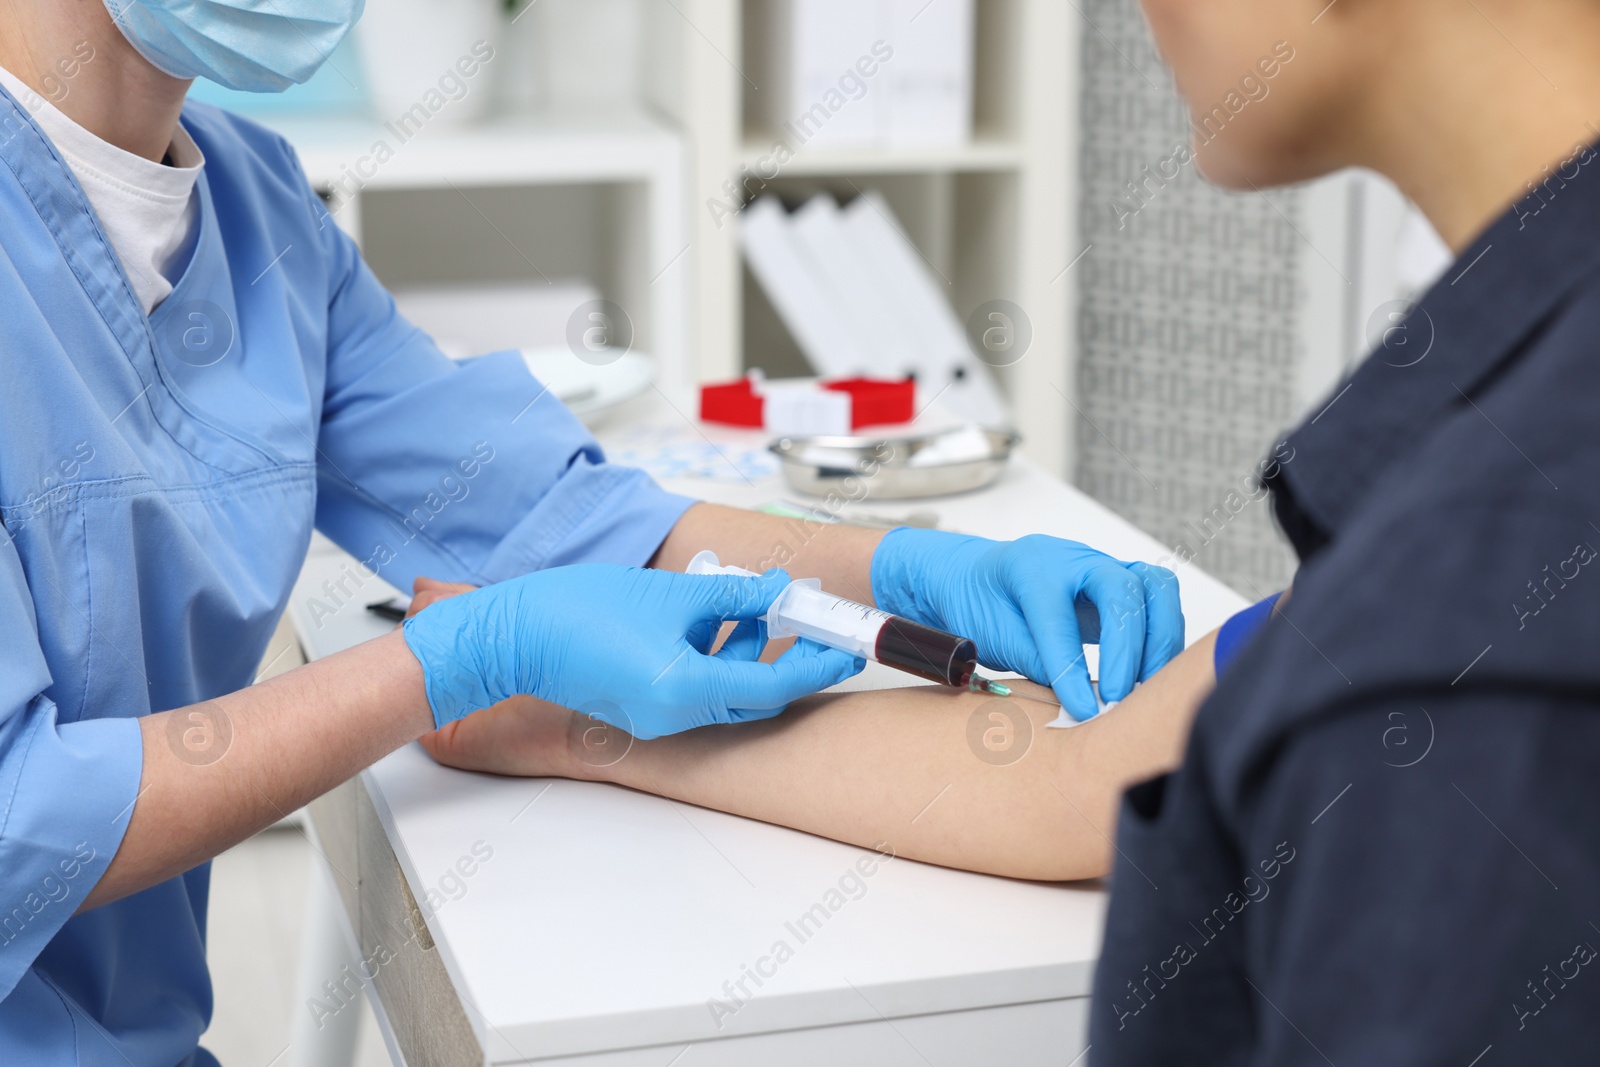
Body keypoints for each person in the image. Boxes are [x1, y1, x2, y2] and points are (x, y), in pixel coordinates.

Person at [0, 1, 1185, 1061]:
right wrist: (453, 665)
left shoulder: (259, 215)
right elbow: (18, 820)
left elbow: (564, 517)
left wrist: (913, 568)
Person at [424, 0, 1600, 1059]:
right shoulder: (1485, 492)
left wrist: (570, 718)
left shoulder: (1471, 643)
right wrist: (579, 725)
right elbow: (1080, 771)